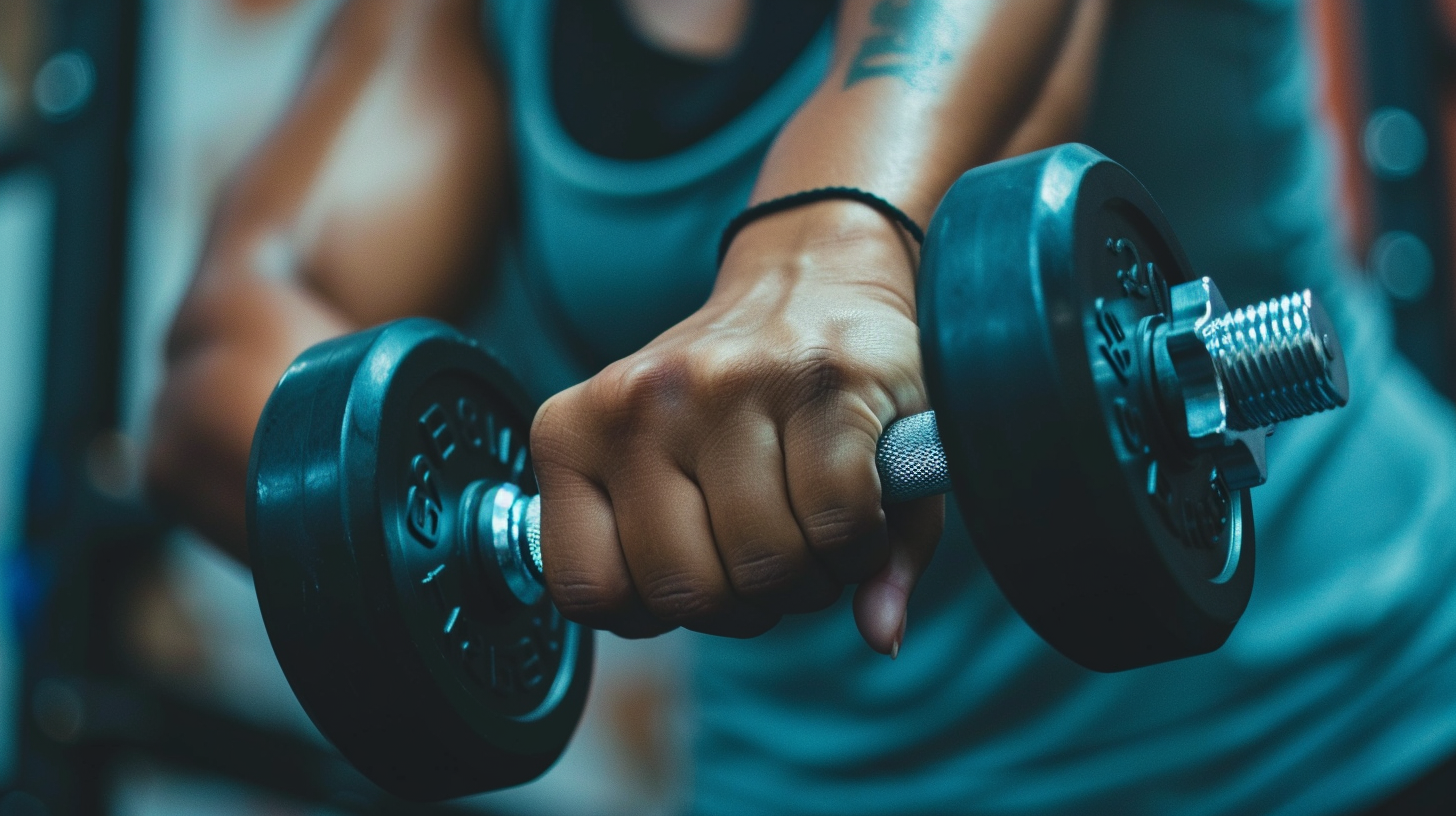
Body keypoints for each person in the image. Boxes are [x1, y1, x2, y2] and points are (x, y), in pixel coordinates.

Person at [146, 0, 1456, 813]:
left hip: (1336, 728)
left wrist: (832, 244)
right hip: (818, 787)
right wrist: (478, 526)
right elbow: (239, 347)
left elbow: (993, 61)